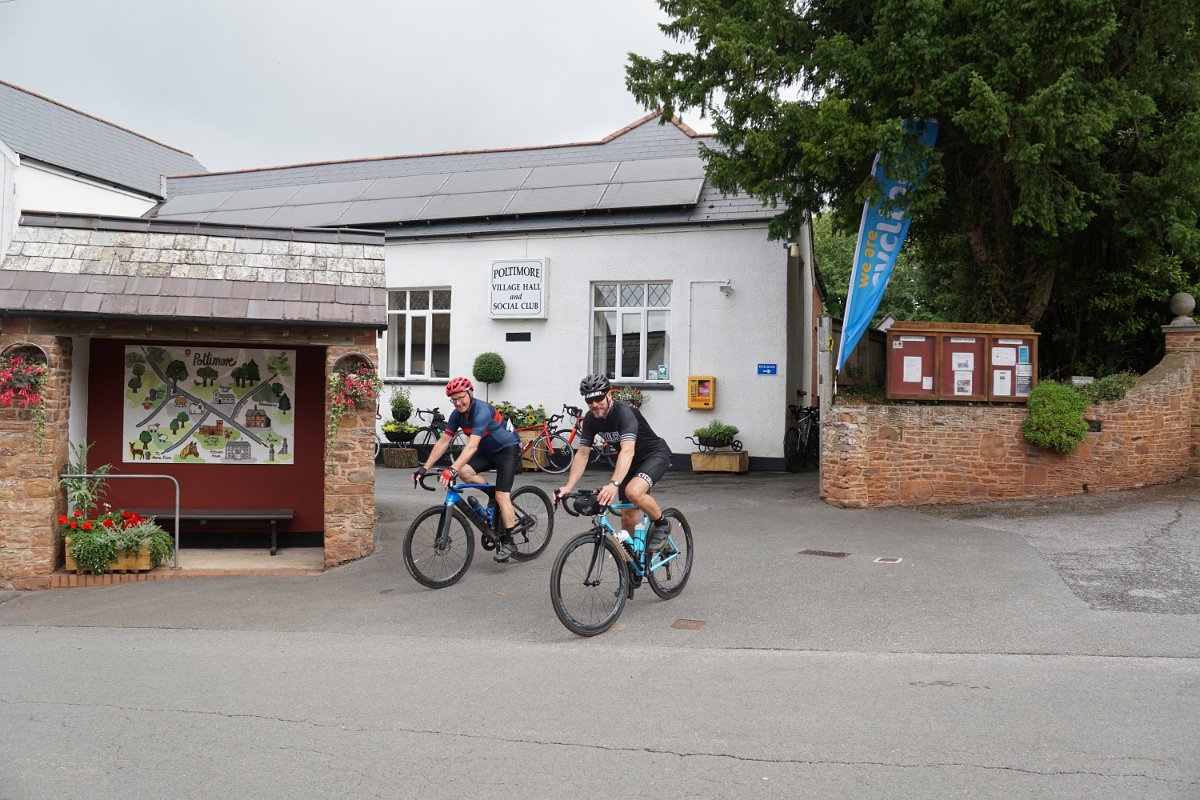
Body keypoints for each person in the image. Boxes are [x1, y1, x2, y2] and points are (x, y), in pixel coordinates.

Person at [413, 377, 524, 562]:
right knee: (465, 472)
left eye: (461, 397)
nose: (458, 403)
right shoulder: (457, 415)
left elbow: (472, 446)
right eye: (454, 399)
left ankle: (510, 542)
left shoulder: (481, 411)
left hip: (507, 450)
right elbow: (443, 441)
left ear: (470, 393)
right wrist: (424, 468)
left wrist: (452, 469)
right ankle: (491, 493)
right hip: (487, 452)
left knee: (502, 495)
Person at [556, 374, 672, 550]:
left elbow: (627, 450)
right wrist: (568, 486)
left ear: (609, 394)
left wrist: (613, 484)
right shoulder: (590, 419)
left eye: (599, 398)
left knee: (633, 492)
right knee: (627, 518)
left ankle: (662, 523)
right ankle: (632, 563)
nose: (595, 404)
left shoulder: (625, 412)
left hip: (654, 455)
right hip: (629, 463)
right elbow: (583, 454)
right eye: (589, 400)